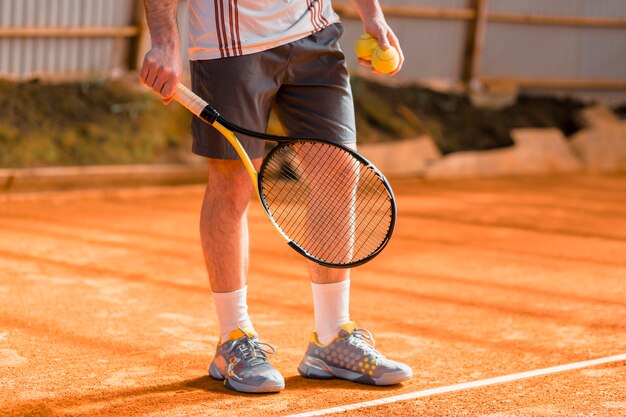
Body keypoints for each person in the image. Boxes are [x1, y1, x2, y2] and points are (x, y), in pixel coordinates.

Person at [140, 0, 412, 393]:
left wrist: (373, 14)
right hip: (230, 45)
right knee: (232, 184)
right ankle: (233, 339)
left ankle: (331, 339)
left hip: (315, 33)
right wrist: (165, 41)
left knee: (338, 170)